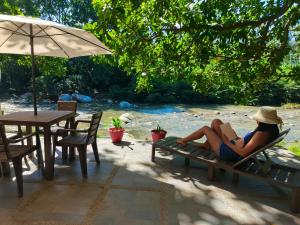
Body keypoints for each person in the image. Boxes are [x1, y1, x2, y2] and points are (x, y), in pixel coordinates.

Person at [177, 106, 283, 161]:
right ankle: (206, 145)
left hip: (230, 153)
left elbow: (243, 153)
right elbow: (247, 144)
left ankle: (183, 140)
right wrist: (236, 138)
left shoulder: (262, 134)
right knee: (216, 121)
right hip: (236, 145)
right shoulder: (268, 129)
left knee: (205, 129)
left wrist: (226, 141)